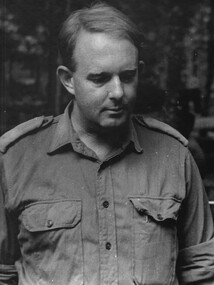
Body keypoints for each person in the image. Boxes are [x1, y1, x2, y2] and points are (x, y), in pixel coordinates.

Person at [0, 3, 214, 285]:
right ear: (68, 80)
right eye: (100, 79)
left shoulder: (173, 156)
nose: (118, 93)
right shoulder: (16, 159)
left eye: (127, 77)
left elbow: (202, 271)